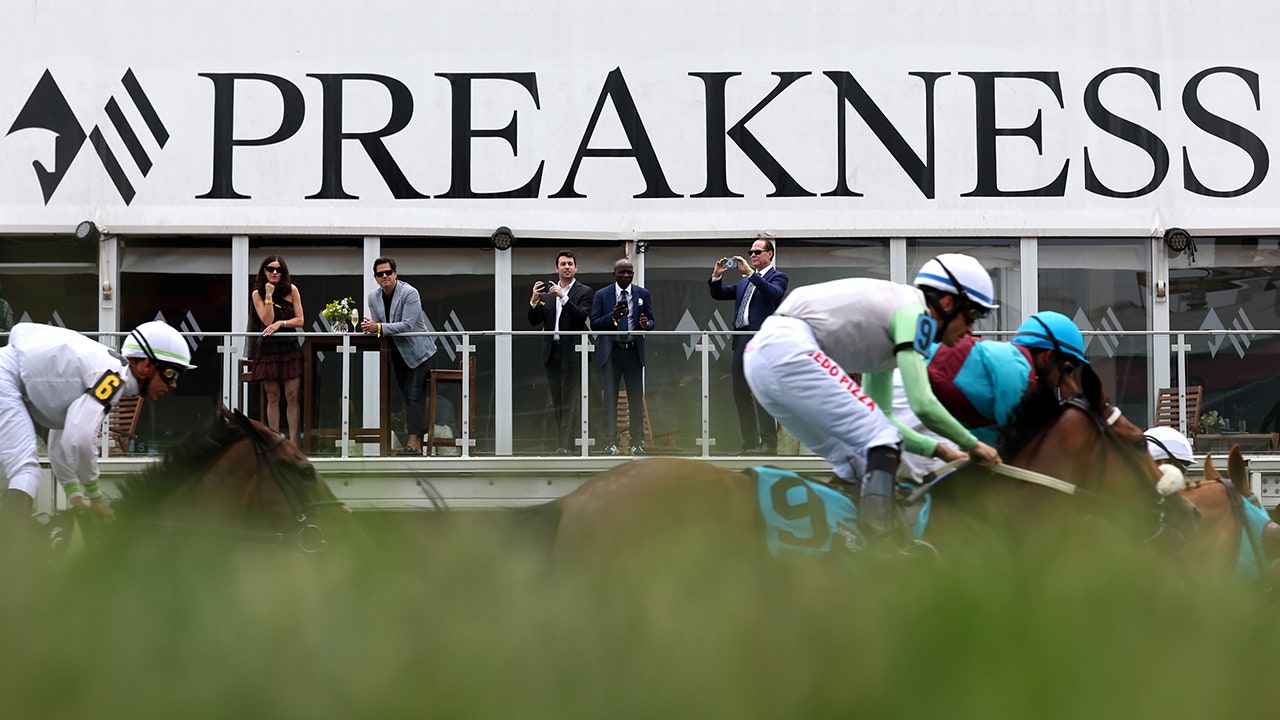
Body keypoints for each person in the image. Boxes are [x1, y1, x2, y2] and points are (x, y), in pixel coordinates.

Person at [743, 253, 1003, 548]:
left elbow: (885, 416)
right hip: (785, 347)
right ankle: (882, 545)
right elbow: (922, 404)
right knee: (882, 440)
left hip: (760, 360)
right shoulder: (915, 314)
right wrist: (974, 445)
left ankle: (839, 537)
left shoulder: (888, 334)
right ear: (947, 303)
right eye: (971, 315)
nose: (970, 330)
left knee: (854, 460)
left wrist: (942, 451)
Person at [0, 320, 194, 531]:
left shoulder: (106, 371)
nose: (173, 384)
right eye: (170, 374)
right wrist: (95, 497)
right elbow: (80, 440)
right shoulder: (113, 377)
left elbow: (60, 439)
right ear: (146, 366)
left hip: (9, 377)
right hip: (6, 378)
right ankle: (11, 556)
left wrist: (75, 497)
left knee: (19, 472)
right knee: (25, 471)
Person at [894, 310, 1090, 479]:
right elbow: (1025, 452)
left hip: (912, 396)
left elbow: (987, 443)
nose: (1071, 386)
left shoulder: (1005, 368)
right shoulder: (1019, 372)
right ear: (1047, 357)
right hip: (911, 398)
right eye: (1067, 369)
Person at [709, 234, 789, 454]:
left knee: (762, 391)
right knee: (740, 391)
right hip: (742, 338)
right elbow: (719, 294)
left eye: (757, 252)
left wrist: (751, 273)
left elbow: (773, 293)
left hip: (761, 340)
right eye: (750, 252)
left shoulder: (777, 277)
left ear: (769, 254)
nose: (752, 255)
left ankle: (769, 443)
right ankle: (750, 442)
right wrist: (716, 277)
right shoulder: (745, 281)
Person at [360, 257, 437, 456]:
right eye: (380, 274)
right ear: (375, 278)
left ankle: (413, 444)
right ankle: (416, 442)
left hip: (420, 352)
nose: (384, 276)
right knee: (407, 397)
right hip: (396, 352)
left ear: (395, 273)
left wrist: (377, 327)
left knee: (412, 394)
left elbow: (407, 326)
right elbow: (380, 328)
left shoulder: (410, 293)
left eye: (388, 272)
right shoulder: (372, 297)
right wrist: (371, 328)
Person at [528, 251, 594, 454]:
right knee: (556, 400)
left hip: (572, 352)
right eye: (563, 264)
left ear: (576, 268)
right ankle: (561, 444)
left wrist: (563, 297)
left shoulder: (584, 291)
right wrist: (534, 299)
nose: (567, 267)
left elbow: (581, 316)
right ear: (557, 268)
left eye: (570, 264)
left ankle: (565, 446)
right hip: (552, 352)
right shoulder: (548, 292)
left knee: (570, 400)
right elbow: (534, 320)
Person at [591, 258, 655, 455]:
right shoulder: (602, 295)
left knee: (635, 399)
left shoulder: (642, 294)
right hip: (611, 353)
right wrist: (613, 317)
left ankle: (637, 442)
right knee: (609, 399)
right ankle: (610, 442)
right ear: (614, 274)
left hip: (633, 351)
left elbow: (651, 320)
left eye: (629, 272)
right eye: (622, 272)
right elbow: (594, 324)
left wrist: (646, 325)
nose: (626, 275)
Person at [249, 255, 304, 441]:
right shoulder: (258, 294)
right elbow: (266, 320)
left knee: (292, 395)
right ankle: (274, 440)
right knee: (272, 396)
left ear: (283, 272)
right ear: (264, 271)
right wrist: (269, 295)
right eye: (271, 269)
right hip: (268, 349)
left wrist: (281, 323)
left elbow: (300, 320)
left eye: (278, 270)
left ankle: (294, 442)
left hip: (289, 347)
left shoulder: (292, 290)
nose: (274, 272)